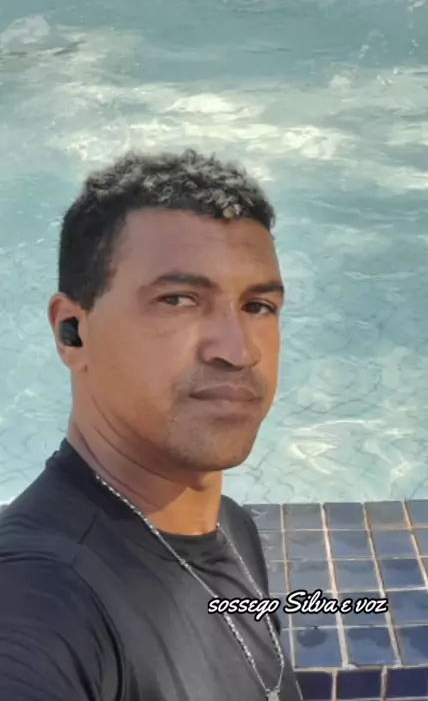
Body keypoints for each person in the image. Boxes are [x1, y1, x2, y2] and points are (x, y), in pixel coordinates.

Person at [0, 149, 302, 701]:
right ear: (73, 331)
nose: (239, 351)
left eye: (258, 306)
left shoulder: (230, 528)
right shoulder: (40, 594)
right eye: (179, 300)